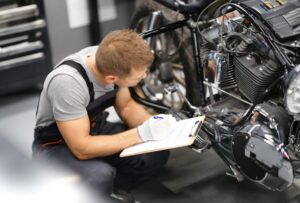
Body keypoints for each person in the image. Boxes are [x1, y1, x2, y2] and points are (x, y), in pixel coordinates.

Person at [32, 29, 170, 202]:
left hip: (95, 126)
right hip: (56, 144)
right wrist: (140, 134)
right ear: (111, 78)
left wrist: (158, 127)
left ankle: (109, 191)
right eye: (139, 76)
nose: (144, 77)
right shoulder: (67, 83)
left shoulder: (114, 58)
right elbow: (81, 148)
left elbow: (126, 107)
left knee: (155, 153)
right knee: (99, 175)